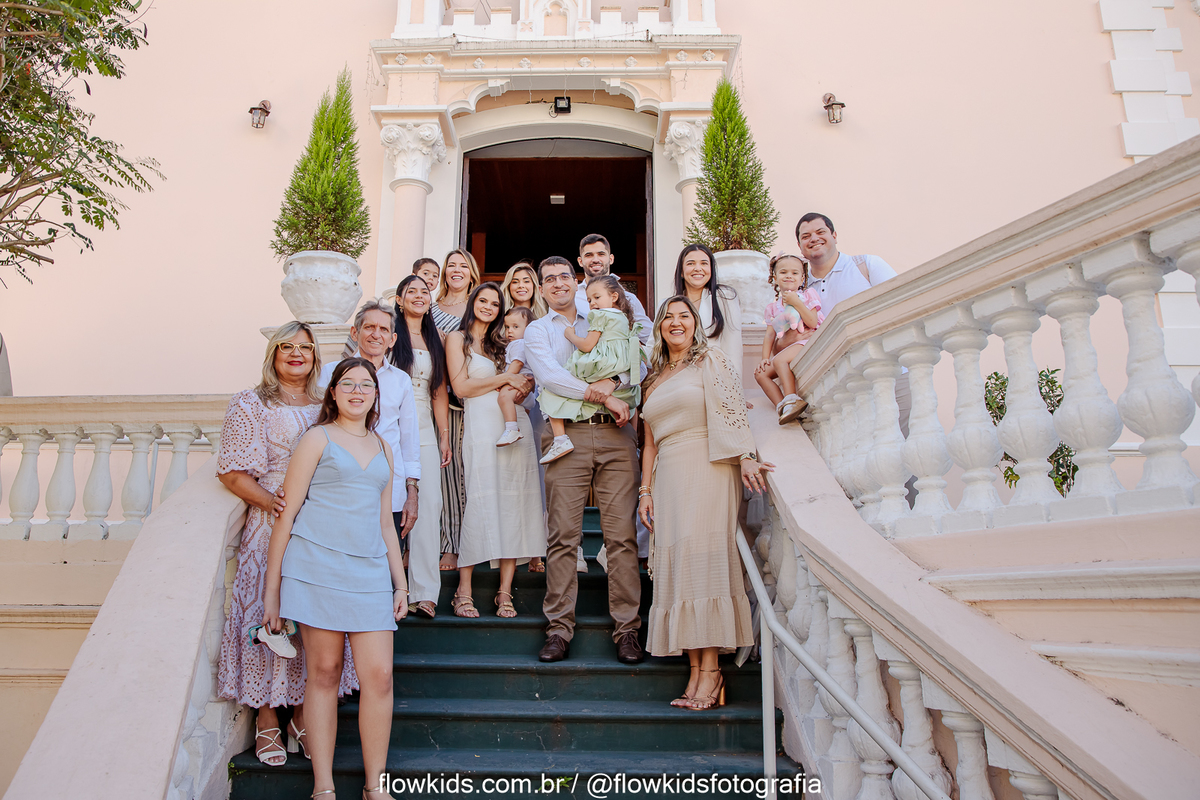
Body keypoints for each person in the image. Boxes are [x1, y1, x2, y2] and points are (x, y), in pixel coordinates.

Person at [263, 357, 408, 800]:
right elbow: (286, 515)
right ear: (333, 391)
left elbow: (386, 524)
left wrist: (400, 584)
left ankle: (375, 786)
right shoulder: (317, 438)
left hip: (369, 573)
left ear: (376, 395)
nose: (357, 391)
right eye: (348, 384)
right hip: (316, 567)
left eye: (366, 385)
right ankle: (323, 787)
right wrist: (272, 594)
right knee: (324, 673)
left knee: (380, 676)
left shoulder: (383, 447)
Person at [216, 321, 357, 768]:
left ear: (316, 357)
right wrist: (273, 503)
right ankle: (265, 717)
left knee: (312, 617)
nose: (296, 354)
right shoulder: (251, 402)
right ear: (273, 354)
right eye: (287, 347)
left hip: (320, 522)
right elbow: (232, 472)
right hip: (270, 521)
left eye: (305, 348)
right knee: (268, 610)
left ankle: (301, 716)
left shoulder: (325, 406)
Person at [637, 296, 773, 709]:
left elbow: (732, 409)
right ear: (659, 328)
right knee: (682, 568)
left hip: (707, 463)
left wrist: (746, 455)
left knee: (704, 562)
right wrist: (645, 491)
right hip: (668, 475)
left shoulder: (710, 360)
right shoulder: (653, 378)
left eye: (684, 316)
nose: (676, 322)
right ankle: (695, 671)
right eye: (668, 317)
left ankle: (712, 673)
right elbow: (649, 443)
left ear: (695, 324)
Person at [523, 256, 644, 665]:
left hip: (615, 434)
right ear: (541, 289)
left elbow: (639, 360)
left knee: (622, 537)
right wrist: (603, 395)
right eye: (549, 279)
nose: (557, 283)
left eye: (564, 277)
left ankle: (627, 630)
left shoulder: (606, 314)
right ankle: (558, 629)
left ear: (575, 282)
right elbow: (550, 377)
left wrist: (615, 383)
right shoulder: (538, 330)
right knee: (563, 536)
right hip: (567, 435)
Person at [445, 283, 543, 619]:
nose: (488, 306)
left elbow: (525, 377)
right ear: (473, 302)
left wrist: (523, 383)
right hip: (482, 427)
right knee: (480, 500)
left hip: (516, 425)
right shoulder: (457, 339)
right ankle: (463, 590)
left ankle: (504, 591)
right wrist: (504, 380)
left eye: (494, 303)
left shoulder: (504, 344)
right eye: (483, 300)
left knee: (515, 503)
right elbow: (461, 387)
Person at [318, 300, 421, 553]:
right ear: (355, 333)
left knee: (386, 562)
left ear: (392, 339)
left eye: (384, 329)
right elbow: (319, 427)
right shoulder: (330, 373)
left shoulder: (401, 380)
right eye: (369, 327)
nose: (376, 334)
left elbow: (409, 440)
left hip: (390, 493)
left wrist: (412, 493)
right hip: (340, 489)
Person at [796, 212, 910, 436]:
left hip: (892, 374)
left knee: (910, 446)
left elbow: (902, 305)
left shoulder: (866, 265)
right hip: (841, 388)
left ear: (834, 235)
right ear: (800, 247)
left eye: (820, 232)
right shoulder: (799, 289)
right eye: (806, 236)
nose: (814, 238)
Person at [391, 275, 453, 618]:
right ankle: (387, 585)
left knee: (429, 504)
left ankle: (425, 593)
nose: (419, 296)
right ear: (399, 300)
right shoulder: (389, 333)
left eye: (424, 291)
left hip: (424, 426)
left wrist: (443, 433)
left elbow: (438, 390)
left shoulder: (436, 338)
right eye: (411, 291)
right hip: (388, 426)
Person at [538, 275, 643, 465]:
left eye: (597, 297)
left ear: (614, 296)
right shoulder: (624, 318)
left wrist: (571, 335)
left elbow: (587, 345)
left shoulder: (601, 315)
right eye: (589, 300)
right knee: (632, 396)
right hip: (621, 364)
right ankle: (633, 441)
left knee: (551, 390)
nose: (592, 303)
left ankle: (560, 439)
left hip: (602, 364)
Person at [430, 249, 481, 571]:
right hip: (430, 395)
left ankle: (456, 544)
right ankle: (430, 541)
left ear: (472, 273)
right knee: (434, 472)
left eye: (463, 265)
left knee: (458, 472)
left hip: (462, 401)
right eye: (451, 265)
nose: (457, 270)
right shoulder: (431, 308)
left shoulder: (477, 308)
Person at [755, 254, 824, 424]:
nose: (789, 276)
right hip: (789, 348)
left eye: (794, 273)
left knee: (780, 361)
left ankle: (792, 398)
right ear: (775, 278)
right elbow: (770, 335)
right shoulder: (773, 307)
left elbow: (812, 322)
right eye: (783, 272)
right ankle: (783, 406)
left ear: (802, 278)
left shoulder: (807, 295)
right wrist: (764, 358)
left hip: (807, 341)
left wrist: (796, 302)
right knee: (760, 374)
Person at [673, 243, 743, 373]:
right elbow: (654, 348)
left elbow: (733, 347)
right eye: (691, 263)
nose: (698, 268)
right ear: (681, 271)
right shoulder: (669, 305)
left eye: (704, 263)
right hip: (677, 374)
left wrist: (734, 380)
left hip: (713, 374)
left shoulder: (725, 297)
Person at [576, 234, 653, 345]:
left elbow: (650, 337)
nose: (595, 259)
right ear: (580, 261)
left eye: (601, 254)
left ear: (611, 259)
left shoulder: (628, 298)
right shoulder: (573, 297)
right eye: (589, 255)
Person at [495, 305, 536, 447]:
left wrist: (503, 380)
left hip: (519, 383)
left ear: (528, 329)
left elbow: (518, 363)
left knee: (503, 397)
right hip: (525, 390)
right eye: (507, 327)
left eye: (515, 327)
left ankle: (512, 429)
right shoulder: (515, 343)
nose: (510, 331)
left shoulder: (519, 343)